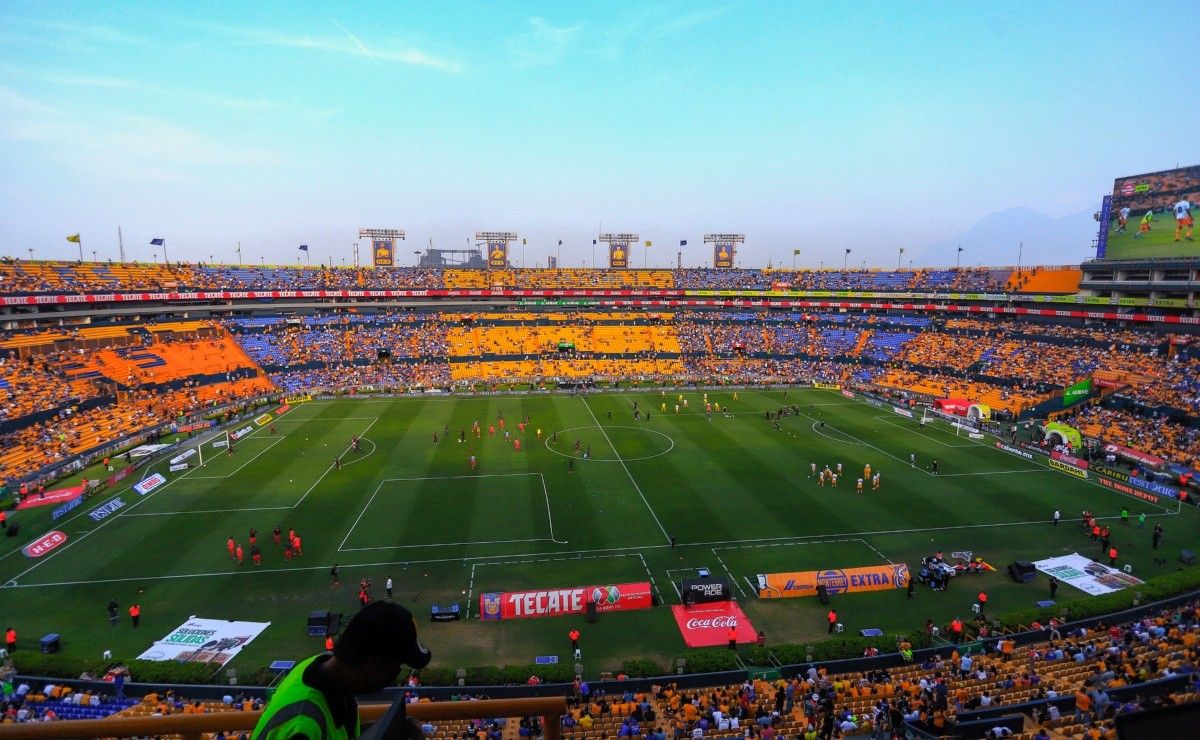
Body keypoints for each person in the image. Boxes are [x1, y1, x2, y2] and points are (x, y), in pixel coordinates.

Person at [252, 601, 431, 740]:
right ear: (373, 665)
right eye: (395, 667)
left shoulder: (322, 669)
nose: (393, 675)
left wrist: (394, 730)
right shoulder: (303, 728)